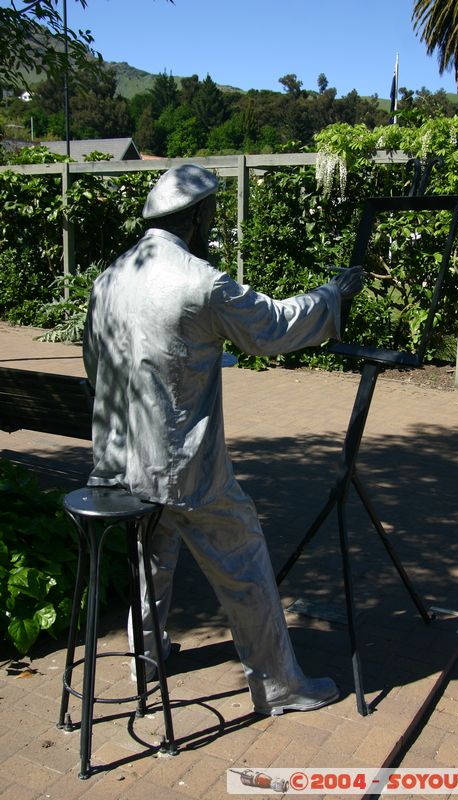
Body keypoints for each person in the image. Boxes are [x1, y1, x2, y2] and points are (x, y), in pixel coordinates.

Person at [83, 164, 364, 716]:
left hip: (119, 466)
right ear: (196, 216)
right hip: (186, 469)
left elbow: (94, 366)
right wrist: (332, 295)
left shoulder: (111, 276)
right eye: (210, 214)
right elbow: (274, 327)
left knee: (152, 553)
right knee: (244, 562)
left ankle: (146, 654)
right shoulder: (199, 282)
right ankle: (281, 685)